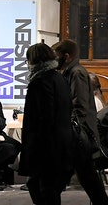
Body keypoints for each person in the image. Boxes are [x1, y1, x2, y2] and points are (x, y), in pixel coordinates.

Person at [52, 39, 108, 205]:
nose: (55, 60)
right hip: (78, 135)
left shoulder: (76, 73)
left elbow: (79, 105)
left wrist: (73, 131)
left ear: (67, 56)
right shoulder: (72, 72)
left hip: (78, 136)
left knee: (85, 177)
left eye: (57, 56)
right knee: (86, 177)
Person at [19, 43, 74, 204]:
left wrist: (32, 147)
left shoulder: (40, 82)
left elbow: (42, 118)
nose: (27, 65)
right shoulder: (59, 79)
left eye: (27, 60)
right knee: (47, 188)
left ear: (34, 60)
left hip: (46, 147)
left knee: (44, 189)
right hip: (62, 143)